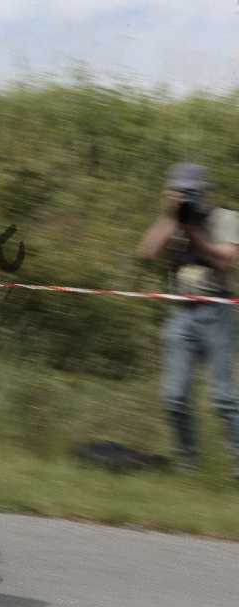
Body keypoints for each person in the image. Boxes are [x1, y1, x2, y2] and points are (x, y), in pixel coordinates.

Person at [136, 163, 239, 477]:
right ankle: (187, 464)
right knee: (174, 396)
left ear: (205, 192)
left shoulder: (226, 218)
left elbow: (226, 261)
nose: (187, 198)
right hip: (181, 312)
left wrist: (193, 231)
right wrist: (170, 218)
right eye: (180, 191)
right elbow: (147, 253)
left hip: (217, 310)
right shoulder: (173, 221)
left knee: (223, 397)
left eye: (192, 192)